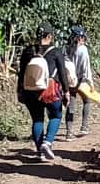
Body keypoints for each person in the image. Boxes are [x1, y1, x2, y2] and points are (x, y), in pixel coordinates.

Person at [17, 23, 71, 161]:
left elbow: (21, 72)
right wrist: (66, 91)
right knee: (56, 116)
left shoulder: (28, 51)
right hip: (49, 90)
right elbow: (63, 73)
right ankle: (47, 143)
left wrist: (20, 90)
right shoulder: (56, 51)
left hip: (29, 90)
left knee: (37, 119)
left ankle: (40, 152)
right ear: (49, 36)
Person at [63, 25, 95, 141]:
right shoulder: (83, 50)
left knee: (71, 104)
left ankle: (69, 133)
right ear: (80, 37)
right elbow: (86, 68)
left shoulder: (65, 48)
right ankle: (84, 127)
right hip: (80, 80)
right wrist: (91, 83)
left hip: (69, 80)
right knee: (87, 100)